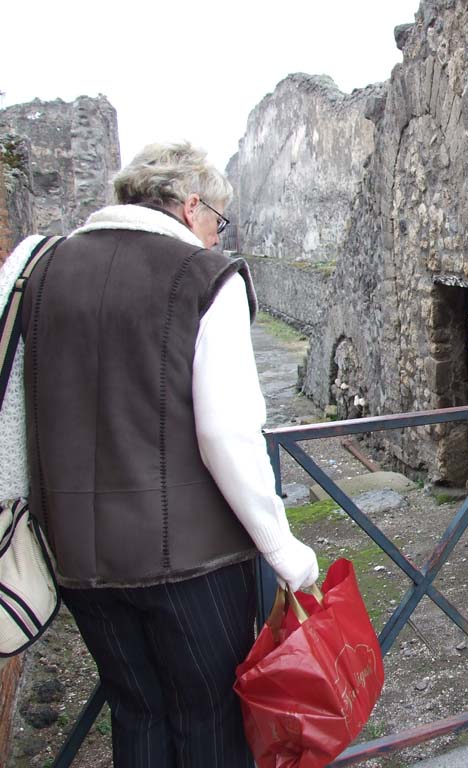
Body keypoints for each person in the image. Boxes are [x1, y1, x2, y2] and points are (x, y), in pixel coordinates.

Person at [0, 141, 318, 766]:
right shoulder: (205, 276)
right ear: (190, 204)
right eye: (216, 220)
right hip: (192, 563)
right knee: (210, 721)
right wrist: (282, 547)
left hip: (77, 560)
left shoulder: (40, 270)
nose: (214, 236)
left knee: (138, 714)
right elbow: (227, 432)